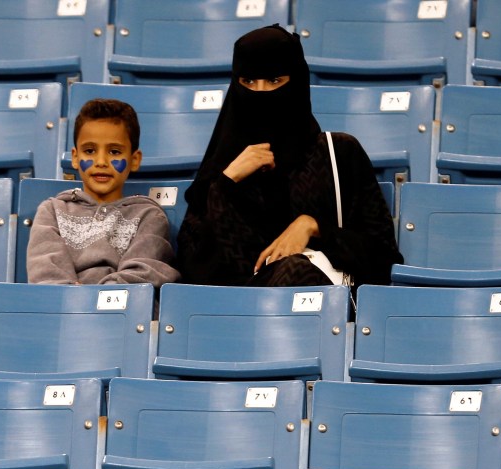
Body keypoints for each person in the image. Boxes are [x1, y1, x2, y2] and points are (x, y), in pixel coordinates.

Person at [177, 24, 402, 288]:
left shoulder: (339, 154)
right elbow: (193, 268)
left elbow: (384, 258)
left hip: (322, 310)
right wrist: (227, 183)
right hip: (238, 314)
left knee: (295, 270)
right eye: (248, 82)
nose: (259, 93)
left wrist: (313, 226)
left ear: (295, 82)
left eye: (274, 81)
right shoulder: (222, 167)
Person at [27, 98, 181, 287]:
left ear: (134, 159)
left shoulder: (149, 216)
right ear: (75, 158)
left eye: (114, 152)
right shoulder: (51, 211)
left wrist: (93, 303)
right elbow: (46, 272)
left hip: (122, 312)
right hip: (62, 311)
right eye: (90, 151)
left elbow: (141, 273)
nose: (101, 161)